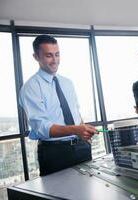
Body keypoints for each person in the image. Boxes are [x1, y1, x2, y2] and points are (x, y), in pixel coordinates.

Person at [19, 35, 98, 176]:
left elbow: (75, 114)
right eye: (49, 55)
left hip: (81, 147)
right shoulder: (31, 87)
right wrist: (76, 129)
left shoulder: (68, 83)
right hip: (55, 153)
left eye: (57, 54)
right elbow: (42, 128)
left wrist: (83, 131)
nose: (55, 60)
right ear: (36, 57)